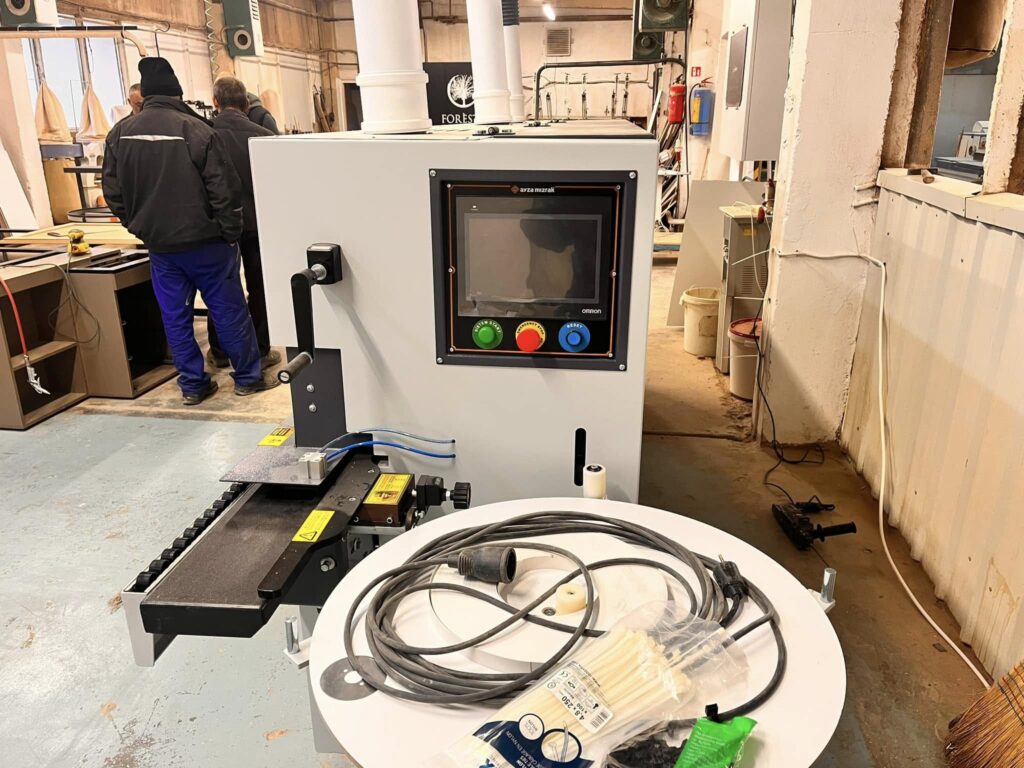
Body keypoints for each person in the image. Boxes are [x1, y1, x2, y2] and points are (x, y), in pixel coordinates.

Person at [101, 57, 277, 405]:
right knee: (229, 310)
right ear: (177, 93)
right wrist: (229, 233)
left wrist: (139, 226)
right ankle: (247, 377)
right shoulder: (196, 130)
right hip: (207, 243)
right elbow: (223, 190)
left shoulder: (120, 134)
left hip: (162, 246)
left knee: (176, 317)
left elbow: (112, 192)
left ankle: (194, 385)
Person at [206, 76, 279, 369]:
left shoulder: (204, 135)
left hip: (219, 229)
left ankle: (221, 351)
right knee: (260, 288)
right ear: (247, 103)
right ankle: (260, 349)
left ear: (215, 102)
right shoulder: (264, 137)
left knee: (221, 289)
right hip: (257, 227)